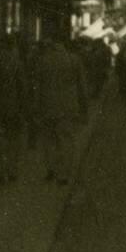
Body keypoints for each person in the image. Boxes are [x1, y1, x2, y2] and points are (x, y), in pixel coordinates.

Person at [37, 35, 88, 186]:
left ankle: (51, 168)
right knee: (66, 139)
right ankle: (64, 174)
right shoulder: (74, 60)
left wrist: (36, 105)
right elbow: (82, 85)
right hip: (68, 106)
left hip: (47, 105)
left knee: (49, 139)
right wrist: (84, 107)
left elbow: (37, 85)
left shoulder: (43, 60)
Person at [0, 34, 26, 184]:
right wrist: (23, 105)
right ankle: (12, 171)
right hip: (13, 105)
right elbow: (22, 86)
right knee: (13, 140)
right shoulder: (17, 63)